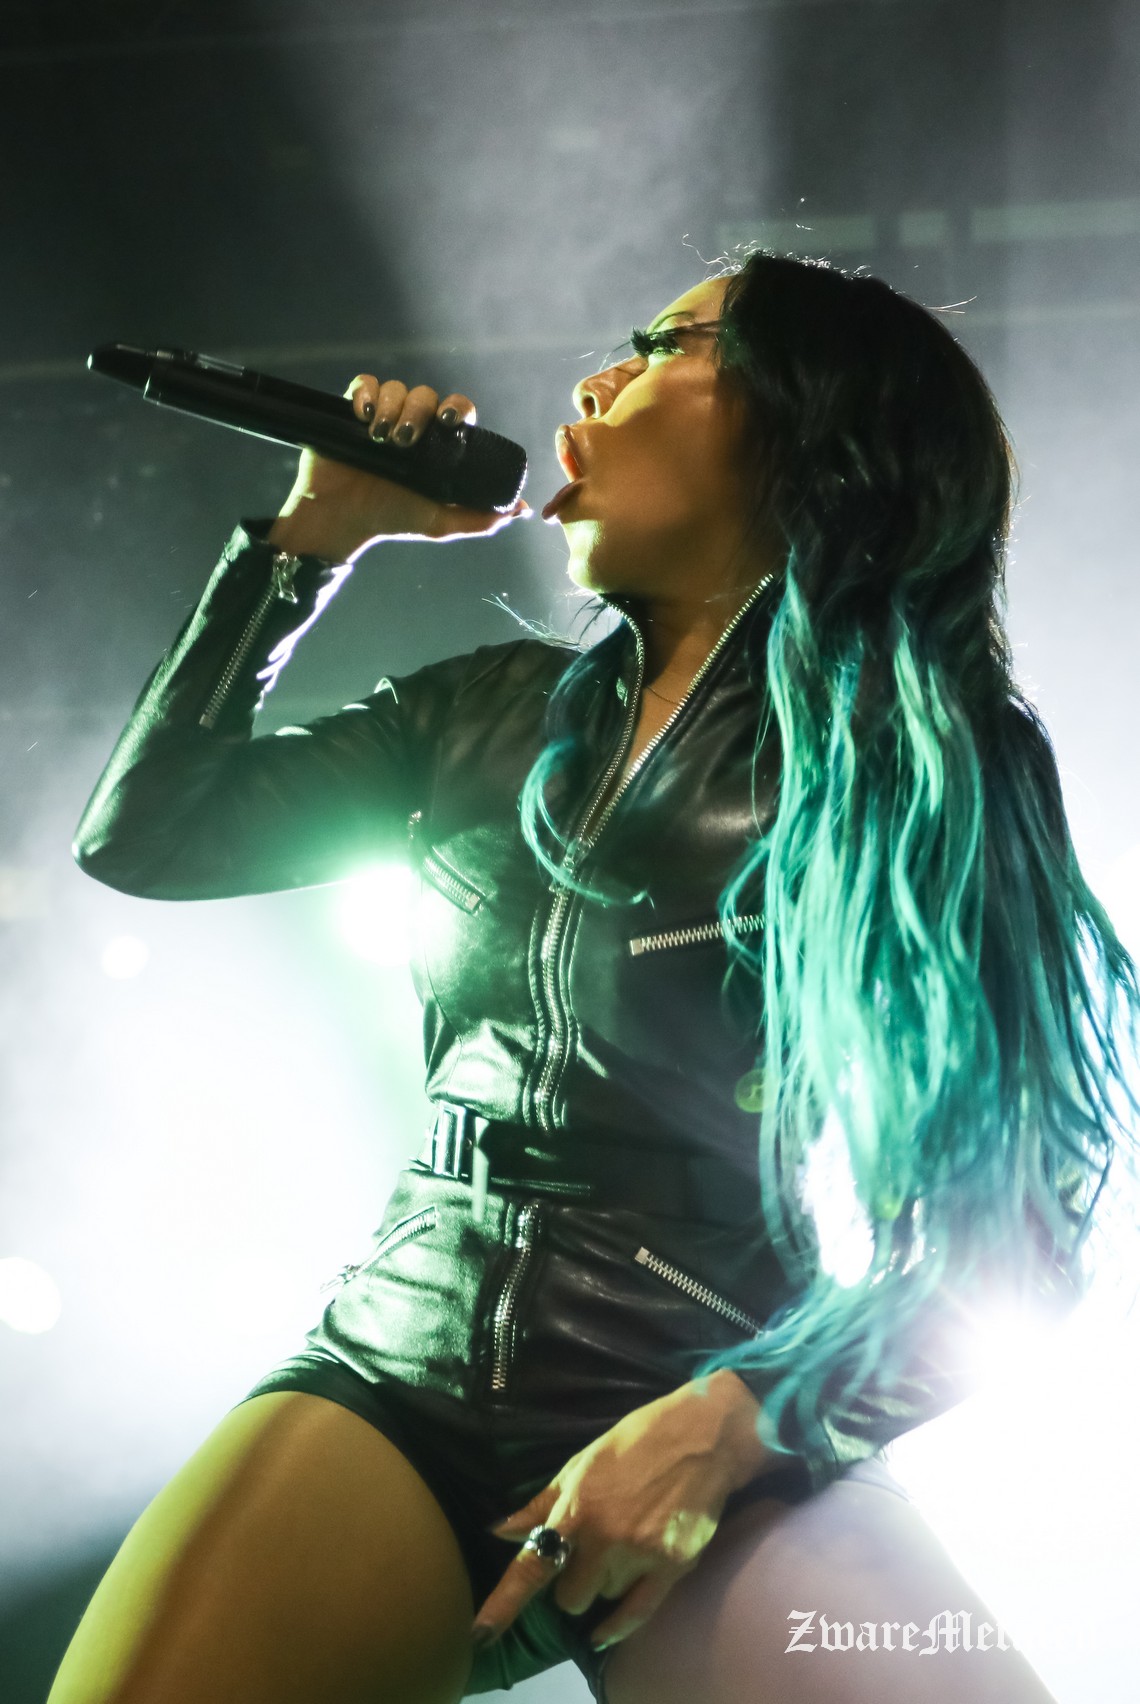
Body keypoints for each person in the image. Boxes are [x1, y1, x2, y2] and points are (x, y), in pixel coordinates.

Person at [51, 251, 1137, 1704]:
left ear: (807, 416)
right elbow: (150, 836)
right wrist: (308, 544)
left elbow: (1018, 1225)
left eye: (662, 343)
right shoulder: (484, 711)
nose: (596, 377)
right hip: (396, 1371)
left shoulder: (926, 758)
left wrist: (739, 1424)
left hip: (723, 1393)